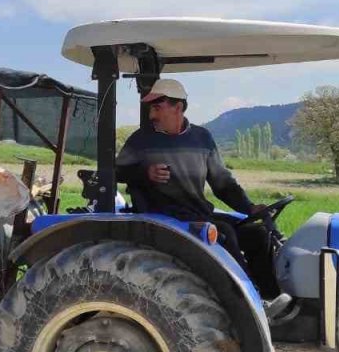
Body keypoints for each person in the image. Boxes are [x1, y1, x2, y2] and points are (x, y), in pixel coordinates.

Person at [115, 78, 277, 290]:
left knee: (257, 234)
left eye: (157, 107)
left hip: (197, 213)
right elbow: (116, 171)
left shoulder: (202, 138)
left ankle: (270, 296)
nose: (151, 115)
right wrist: (145, 173)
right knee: (224, 233)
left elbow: (222, 183)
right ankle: (246, 298)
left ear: (178, 107)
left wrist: (249, 207)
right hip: (164, 218)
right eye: (151, 108)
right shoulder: (141, 140)